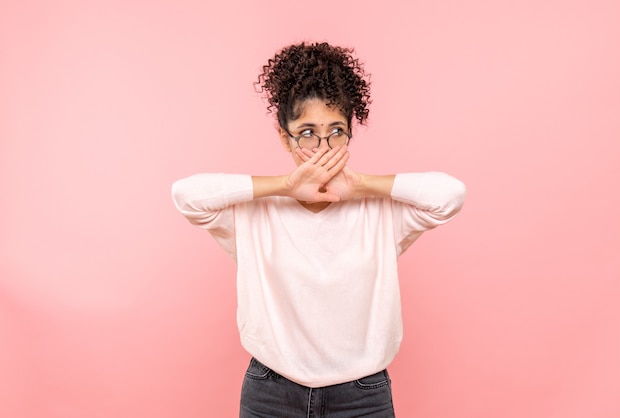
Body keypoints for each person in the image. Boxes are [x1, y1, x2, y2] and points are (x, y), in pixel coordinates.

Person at [172, 41, 466, 418]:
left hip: (363, 396)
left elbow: (450, 195)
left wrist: (360, 184)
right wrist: (285, 185)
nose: (322, 147)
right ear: (285, 137)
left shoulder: (380, 213)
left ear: (349, 134)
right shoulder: (251, 213)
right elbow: (185, 195)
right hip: (270, 393)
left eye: (336, 131)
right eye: (307, 132)